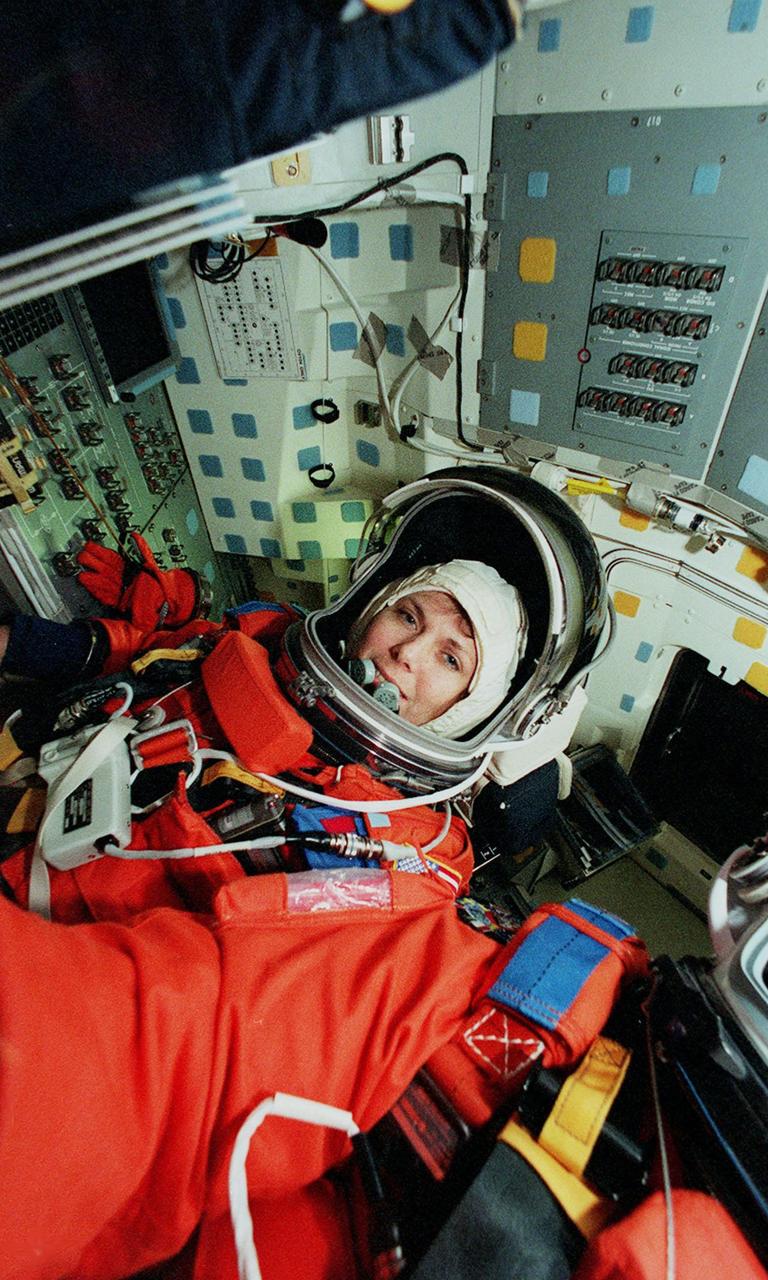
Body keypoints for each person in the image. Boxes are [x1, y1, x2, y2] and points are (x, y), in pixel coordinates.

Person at [0, 467, 647, 1280]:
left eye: (450, 657)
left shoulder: (409, 862)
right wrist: (29, 646)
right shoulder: (255, 646)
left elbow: (204, 1036)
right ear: (371, 603)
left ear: (473, 712)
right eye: (407, 615)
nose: (406, 652)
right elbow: (153, 653)